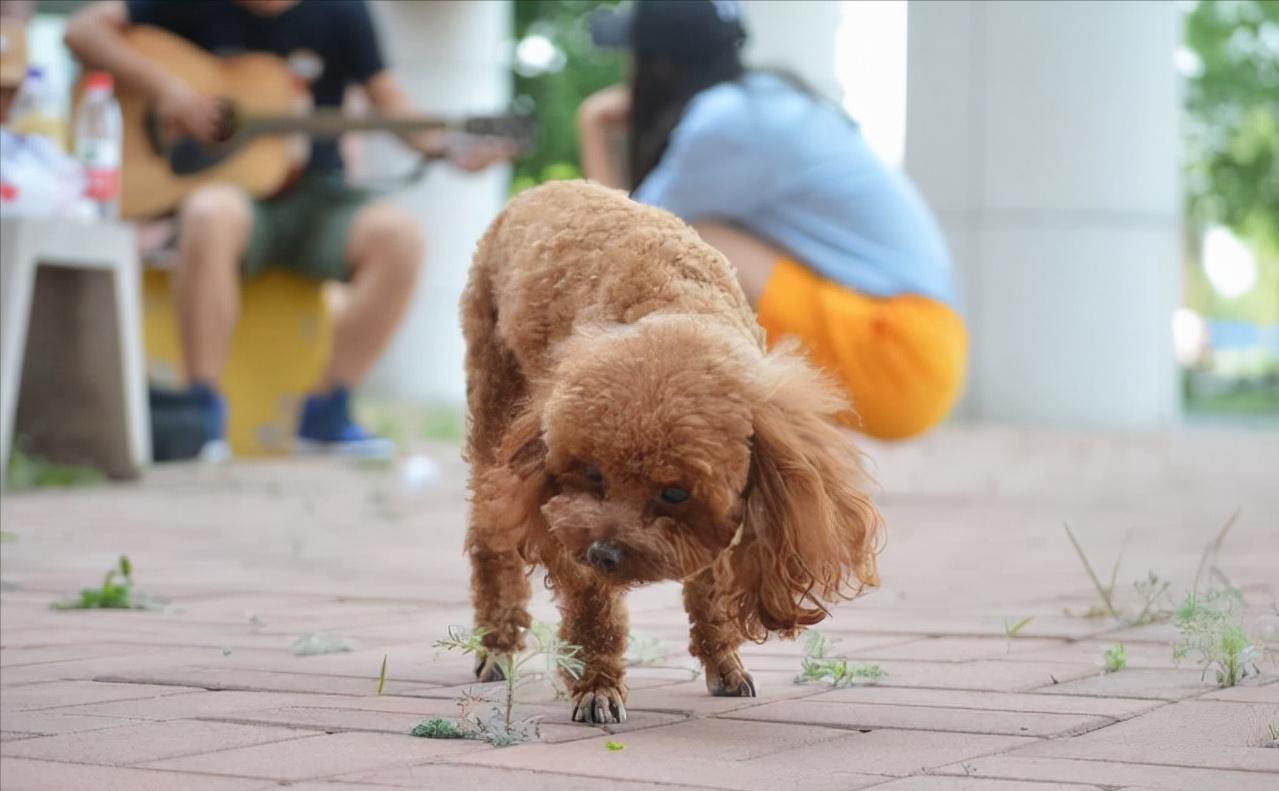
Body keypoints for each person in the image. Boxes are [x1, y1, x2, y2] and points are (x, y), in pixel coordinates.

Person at [64, 0, 513, 458]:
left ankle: (326, 412)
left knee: (401, 238)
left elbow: (393, 106)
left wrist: (449, 150)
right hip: (234, 198)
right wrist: (168, 90)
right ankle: (201, 413)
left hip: (319, 196)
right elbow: (82, 31)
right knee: (209, 214)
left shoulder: (343, 13)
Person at [579, 0, 966, 440]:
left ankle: (672, 427)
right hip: (926, 349)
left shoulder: (722, 125)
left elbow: (618, 237)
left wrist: (591, 124)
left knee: (687, 242)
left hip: (900, 355)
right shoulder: (761, 103)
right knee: (688, 240)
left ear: (661, 65)